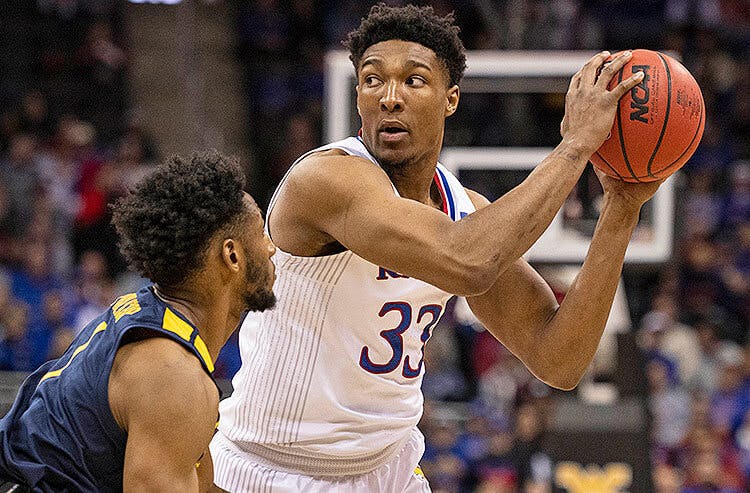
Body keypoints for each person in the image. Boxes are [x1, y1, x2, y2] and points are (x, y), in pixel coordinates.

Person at [211, 4, 662, 492]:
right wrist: (574, 146)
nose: (389, 97)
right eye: (372, 80)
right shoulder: (325, 181)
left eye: (414, 81)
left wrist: (622, 207)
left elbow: (560, 360)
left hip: (389, 466)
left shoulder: (463, 210)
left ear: (450, 99)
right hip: (276, 467)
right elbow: (465, 262)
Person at [0, 152, 276, 491]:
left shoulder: (149, 315)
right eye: (261, 232)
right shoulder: (174, 376)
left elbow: (202, 485)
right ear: (231, 255)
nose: (271, 248)